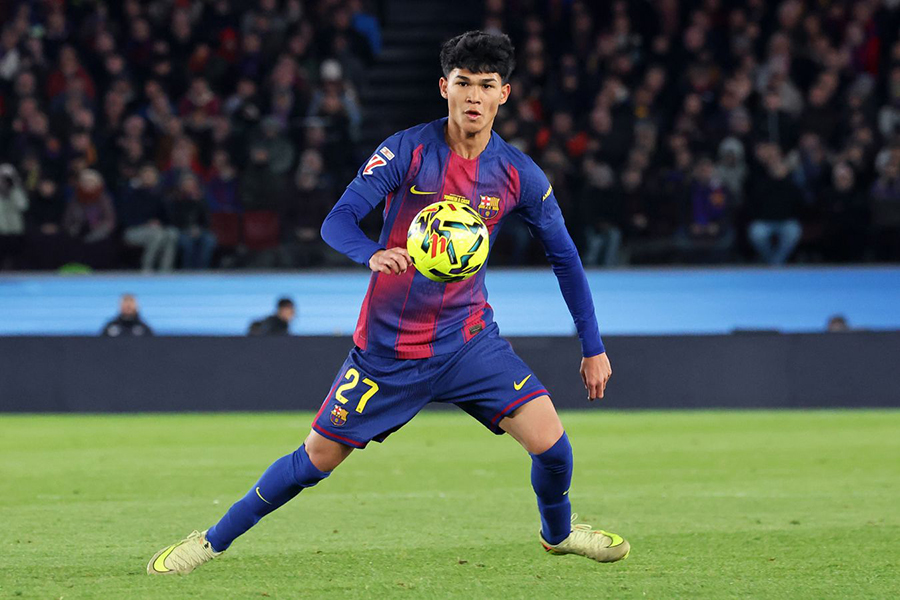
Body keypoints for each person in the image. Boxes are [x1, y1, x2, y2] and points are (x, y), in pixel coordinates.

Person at [148, 31, 628, 576]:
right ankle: (210, 542)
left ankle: (558, 534)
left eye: (486, 85)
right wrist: (372, 253)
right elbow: (336, 221)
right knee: (313, 462)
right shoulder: (408, 150)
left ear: (504, 94)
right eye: (463, 83)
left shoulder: (520, 174)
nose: (474, 95)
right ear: (444, 88)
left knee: (554, 447)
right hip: (387, 352)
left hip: (469, 342)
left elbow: (566, 258)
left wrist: (593, 346)